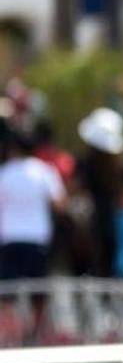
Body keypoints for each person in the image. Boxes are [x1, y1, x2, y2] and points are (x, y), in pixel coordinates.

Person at [0, 121, 68, 344]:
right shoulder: (44, 172)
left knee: (7, 293)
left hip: (9, 239)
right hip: (37, 239)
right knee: (38, 293)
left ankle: (10, 336)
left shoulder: (5, 173)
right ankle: (34, 335)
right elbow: (59, 204)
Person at [76, 107, 123, 278]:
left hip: (91, 225)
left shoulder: (84, 165)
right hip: (108, 223)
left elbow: (76, 191)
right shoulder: (120, 170)